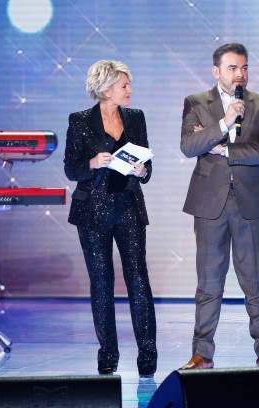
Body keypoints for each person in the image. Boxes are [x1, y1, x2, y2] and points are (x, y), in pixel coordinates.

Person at [179, 43, 259, 369]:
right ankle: (202, 353)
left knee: (255, 280)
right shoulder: (196, 103)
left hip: (249, 203)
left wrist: (224, 151)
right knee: (208, 282)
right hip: (209, 204)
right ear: (217, 71)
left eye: (244, 68)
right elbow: (190, 145)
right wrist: (223, 123)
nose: (240, 74)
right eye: (233, 68)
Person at [64, 60, 157, 377]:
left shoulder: (136, 118)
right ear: (105, 89)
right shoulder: (79, 121)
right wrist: (91, 162)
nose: (130, 91)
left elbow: (147, 165)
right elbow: (70, 168)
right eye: (124, 86)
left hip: (128, 208)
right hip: (92, 211)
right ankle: (108, 353)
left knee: (138, 280)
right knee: (101, 283)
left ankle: (148, 352)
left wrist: (142, 170)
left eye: (129, 85)